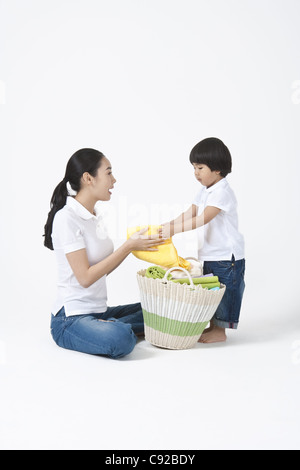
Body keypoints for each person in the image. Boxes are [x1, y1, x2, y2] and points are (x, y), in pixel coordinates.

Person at [43, 148, 166, 359]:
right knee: (122, 339)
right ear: (88, 178)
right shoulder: (67, 218)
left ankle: (106, 325)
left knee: (161, 308)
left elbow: (99, 271)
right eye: (108, 173)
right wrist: (127, 247)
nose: (114, 180)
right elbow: (85, 278)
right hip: (70, 318)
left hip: (98, 311)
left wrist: (132, 248)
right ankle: (114, 329)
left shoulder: (93, 216)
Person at [160, 137, 245, 343]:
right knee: (213, 290)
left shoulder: (222, 191)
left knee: (225, 291)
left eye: (200, 167)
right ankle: (213, 326)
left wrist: (173, 231)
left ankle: (220, 330)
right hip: (210, 253)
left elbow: (202, 219)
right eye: (194, 168)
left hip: (227, 255)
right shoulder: (205, 190)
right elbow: (190, 213)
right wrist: (167, 226)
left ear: (217, 169)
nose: (196, 173)